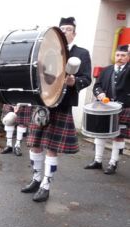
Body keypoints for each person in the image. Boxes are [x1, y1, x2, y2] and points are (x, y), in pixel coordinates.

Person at [23, 17, 92, 202]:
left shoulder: (81, 53)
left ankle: (46, 184)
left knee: (52, 148)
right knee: (34, 144)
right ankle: (36, 178)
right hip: (42, 102)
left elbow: (87, 78)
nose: (65, 31)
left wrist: (74, 81)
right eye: (62, 29)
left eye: (68, 29)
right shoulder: (49, 49)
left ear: (74, 33)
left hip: (62, 104)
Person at [85, 44, 130, 174]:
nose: (120, 58)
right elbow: (97, 86)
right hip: (105, 108)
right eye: (118, 55)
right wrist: (99, 93)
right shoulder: (107, 70)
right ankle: (97, 161)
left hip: (123, 108)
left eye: (123, 55)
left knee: (118, 136)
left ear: (128, 57)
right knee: (100, 133)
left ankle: (113, 163)